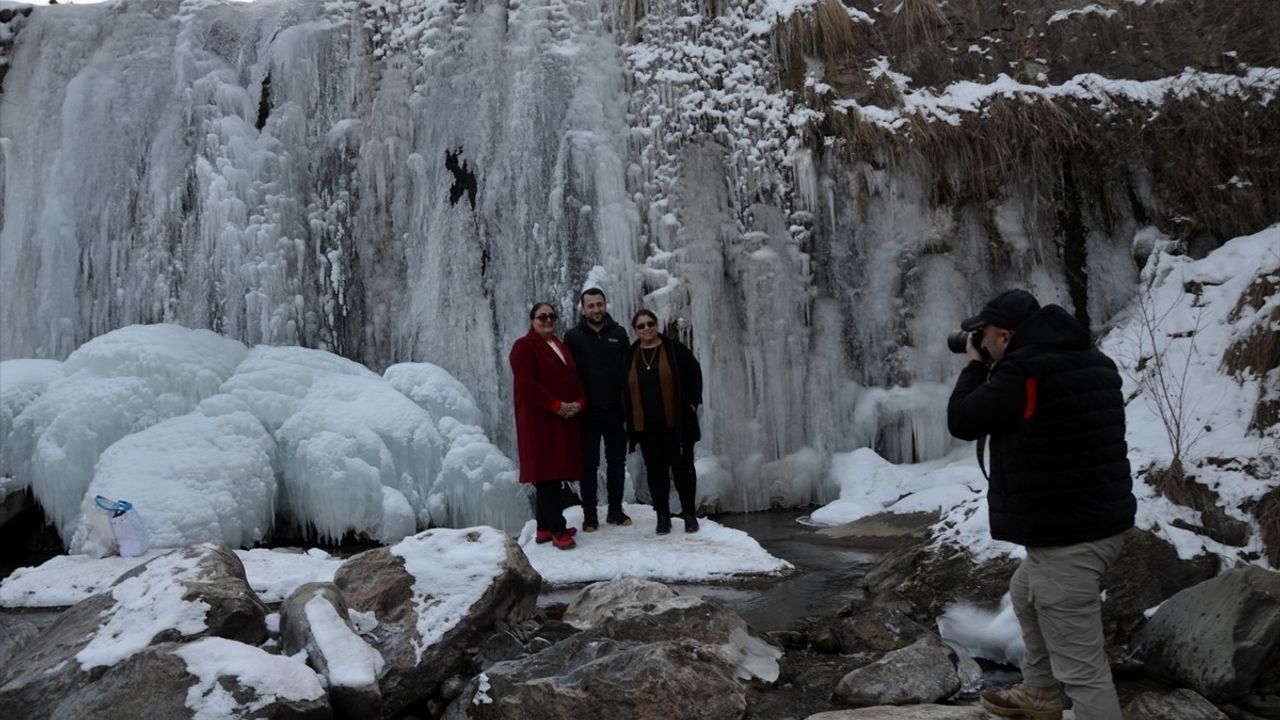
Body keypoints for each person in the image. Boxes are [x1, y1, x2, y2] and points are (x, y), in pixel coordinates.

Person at [947, 289, 1136, 720]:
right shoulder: (1089, 359)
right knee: (1025, 594)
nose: (983, 342)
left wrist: (976, 365)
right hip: (1095, 521)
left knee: (1083, 665)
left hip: (1068, 536)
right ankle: (1040, 693)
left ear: (1005, 335)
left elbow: (963, 419)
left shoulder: (1026, 371)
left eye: (987, 335)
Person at [509, 302, 586, 550]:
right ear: (532, 320)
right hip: (539, 421)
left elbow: (575, 379)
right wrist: (556, 406)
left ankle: (543, 528)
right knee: (547, 475)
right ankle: (557, 528)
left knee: (552, 471)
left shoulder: (559, 345)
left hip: (561, 418)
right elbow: (528, 384)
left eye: (552, 316)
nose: (548, 320)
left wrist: (579, 402)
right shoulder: (523, 346)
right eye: (542, 317)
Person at [623, 310, 704, 535]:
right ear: (635, 330)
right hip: (647, 426)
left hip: (677, 424)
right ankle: (662, 515)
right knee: (655, 471)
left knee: (683, 468)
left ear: (657, 325)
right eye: (641, 326)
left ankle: (689, 514)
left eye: (650, 323)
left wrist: (692, 405)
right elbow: (624, 389)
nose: (647, 328)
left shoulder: (674, 349)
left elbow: (694, 374)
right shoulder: (631, 355)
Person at [563, 288, 632, 532]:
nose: (596, 310)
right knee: (588, 466)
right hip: (587, 413)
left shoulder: (619, 333)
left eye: (599, 305)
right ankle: (590, 515)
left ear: (605, 305)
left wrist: (629, 409)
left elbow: (629, 373)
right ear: (583, 309)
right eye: (590, 306)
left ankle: (615, 510)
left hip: (615, 411)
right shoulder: (572, 337)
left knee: (616, 462)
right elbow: (566, 374)